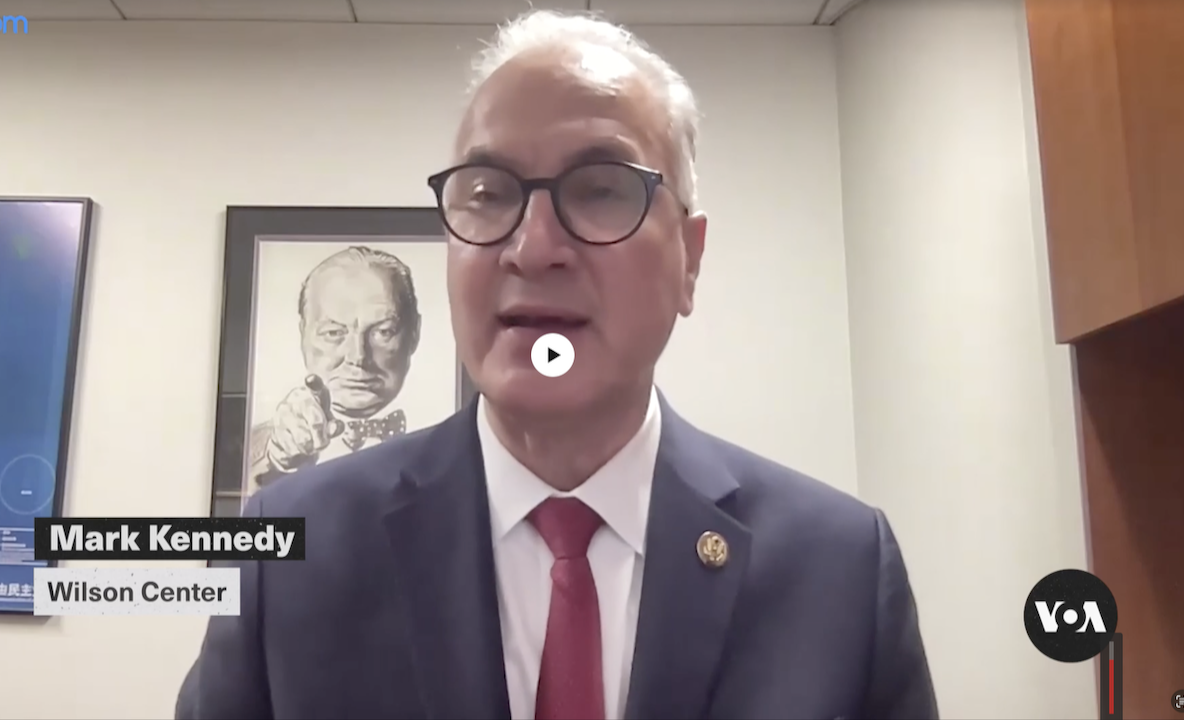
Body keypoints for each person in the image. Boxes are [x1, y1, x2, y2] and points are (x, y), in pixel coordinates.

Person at [177, 9, 938, 720]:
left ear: (690, 262)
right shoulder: (290, 546)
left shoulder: (838, 567)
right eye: (488, 193)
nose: (533, 247)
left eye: (601, 190)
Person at [247, 246, 420, 491]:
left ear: (414, 334)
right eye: (333, 333)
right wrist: (279, 459)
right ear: (303, 335)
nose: (357, 356)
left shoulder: (458, 446)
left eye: (383, 332)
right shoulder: (254, 448)